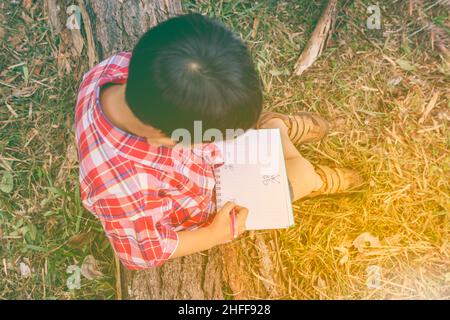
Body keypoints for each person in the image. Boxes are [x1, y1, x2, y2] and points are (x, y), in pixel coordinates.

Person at [75, 13, 362, 270]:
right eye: (213, 134)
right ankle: (289, 146)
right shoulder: (122, 190)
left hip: (206, 160)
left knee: (271, 154)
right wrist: (213, 235)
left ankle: (275, 130)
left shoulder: (120, 69)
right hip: (212, 198)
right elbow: (142, 254)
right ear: (167, 138)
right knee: (302, 176)